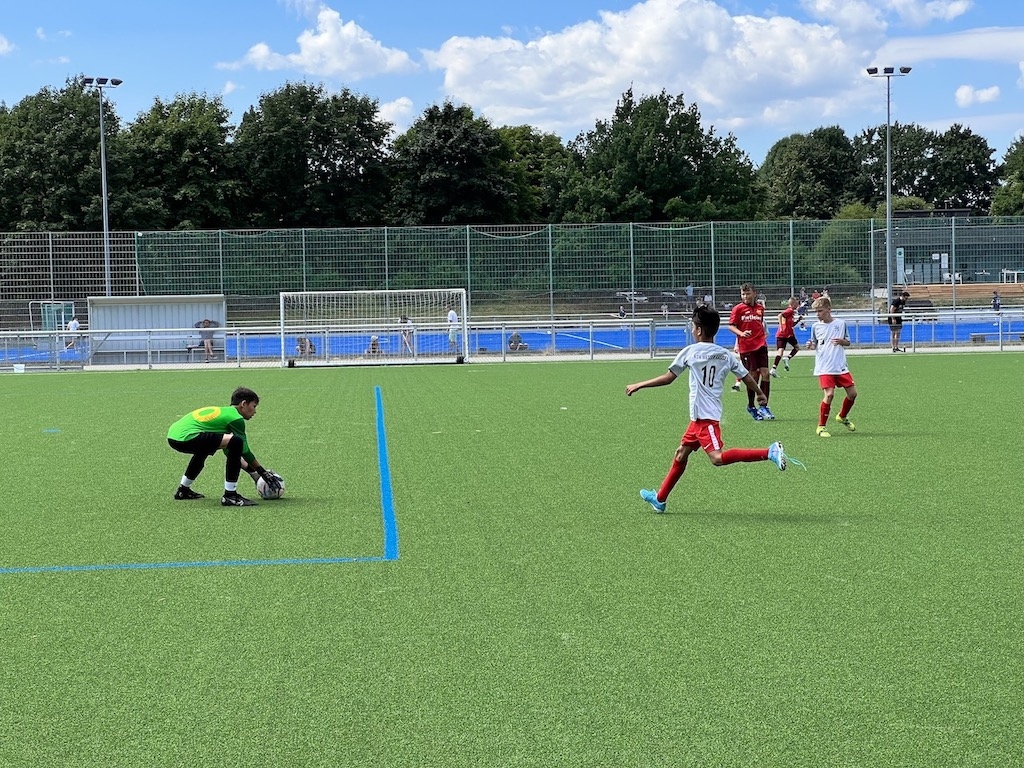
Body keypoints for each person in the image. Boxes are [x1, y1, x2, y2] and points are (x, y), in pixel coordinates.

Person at [625, 305, 792, 514]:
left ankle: (769, 452)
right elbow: (747, 376)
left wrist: (639, 384)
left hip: (706, 419)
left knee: (717, 458)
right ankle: (660, 499)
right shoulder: (725, 355)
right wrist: (759, 393)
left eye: (693, 326)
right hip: (698, 419)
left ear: (698, 330)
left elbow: (668, 378)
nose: (692, 329)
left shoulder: (690, 352)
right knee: (681, 454)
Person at [166, 386, 280, 506]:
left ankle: (183, 490)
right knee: (236, 442)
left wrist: (253, 473)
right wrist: (262, 472)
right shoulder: (235, 418)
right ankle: (230, 495)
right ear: (243, 404)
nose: (255, 411)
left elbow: (231, 453)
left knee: (205, 451)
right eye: (254, 406)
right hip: (186, 437)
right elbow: (245, 451)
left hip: (174, 437)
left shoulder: (224, 413)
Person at [806, 296, 858, 438]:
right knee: (829, 395)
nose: (817, 314)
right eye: (816, 312)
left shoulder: (841, 324)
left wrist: (842, 341)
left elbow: (848, 342)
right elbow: (815, 343)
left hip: (840, 366)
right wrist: (811, 345)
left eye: (820, 311)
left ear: (828, 309)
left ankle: (842, 416)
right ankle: (821, 427)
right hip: (824, 367)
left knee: (853, 394)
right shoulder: (816, 326)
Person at [727, 283, 773, 421]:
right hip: (746, 347)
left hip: (761, 345)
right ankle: (751, 406)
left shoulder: (760, 308)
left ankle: (764, 406)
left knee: (766, 373)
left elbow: (760, 324)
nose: (745, 296)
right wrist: (741, 333)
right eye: (743, 294)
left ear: (754, 293)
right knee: (752, 376)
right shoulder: (738, 309)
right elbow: (731, 326)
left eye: (748, 293)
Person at [770, 297, 801, 377]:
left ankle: (774, 369)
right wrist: (781, 326)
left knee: (783, 351)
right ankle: (785, 359)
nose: (798, 305)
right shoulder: (790, 310)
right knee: (795, 348)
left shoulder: (791, 313)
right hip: (784, 334)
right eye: (796, 303)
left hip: (788, 334)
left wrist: (798, 321)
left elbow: (791, 324)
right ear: (793, 303)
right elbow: (780, 315)